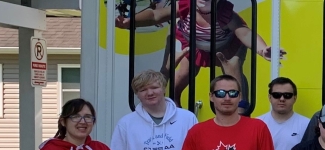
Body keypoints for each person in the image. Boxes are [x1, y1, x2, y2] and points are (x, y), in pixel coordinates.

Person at [114, 0, 284, 104]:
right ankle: (174, 108)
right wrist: (130, 21)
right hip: (194, 44)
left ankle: (241, 109)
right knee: (181, 78)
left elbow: (245, 32)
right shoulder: (185, 6)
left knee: (233, 70)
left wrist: (262, 50)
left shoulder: (225, 14)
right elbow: (156, 15)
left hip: (225, 46)